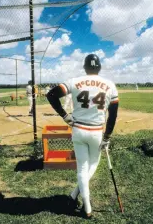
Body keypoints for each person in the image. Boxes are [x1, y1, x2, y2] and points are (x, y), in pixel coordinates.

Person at [47, 54, 119, 219]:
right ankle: (82, 203)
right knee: (92, 165)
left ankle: (81, 202)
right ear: (99, 67)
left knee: (82, 168)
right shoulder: (110, 85)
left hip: (78, 130)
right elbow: (113, 115)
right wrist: (107, 137)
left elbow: (51, 95)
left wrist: (65, 116)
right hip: (96, 132)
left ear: (85, 67)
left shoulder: (74, 81)